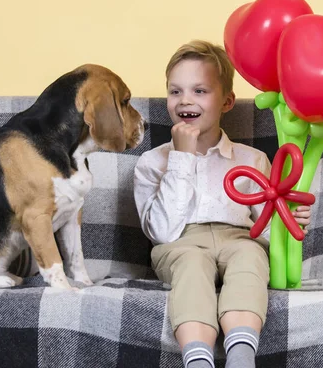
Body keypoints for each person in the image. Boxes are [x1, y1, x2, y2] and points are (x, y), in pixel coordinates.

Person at [133, 40, 311, 368]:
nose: (185, 100)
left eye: (199, 90)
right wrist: (182, 157)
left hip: (240, 239)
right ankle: (198, 361)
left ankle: (241, 357)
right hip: (181, 243)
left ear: (227, 101)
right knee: (192, 265)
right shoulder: (152, 162)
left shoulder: (253, 159)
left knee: (249, 257)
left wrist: (290, 222)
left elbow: (267, 229)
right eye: (176, 91)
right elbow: (162, 232)